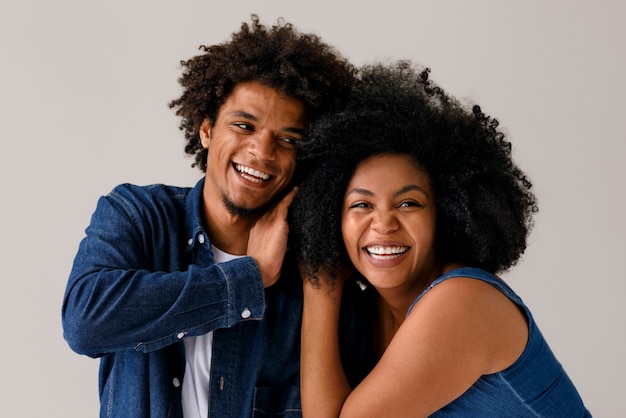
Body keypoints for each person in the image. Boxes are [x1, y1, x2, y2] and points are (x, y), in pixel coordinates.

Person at [62, 15, 368, 418]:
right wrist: (249, 278)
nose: (262, 151)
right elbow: (85, 323)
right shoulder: (137, 216)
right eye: (244, 125)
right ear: (206, 129)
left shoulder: (317, 282)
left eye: (288, 139)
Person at [290, 61, 591, 417]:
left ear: (446, 213)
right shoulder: (372, 312)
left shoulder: (463, 302)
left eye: (408, 202)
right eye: (361, 204)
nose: (383, 223)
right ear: (329, 217)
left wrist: (318, 283)